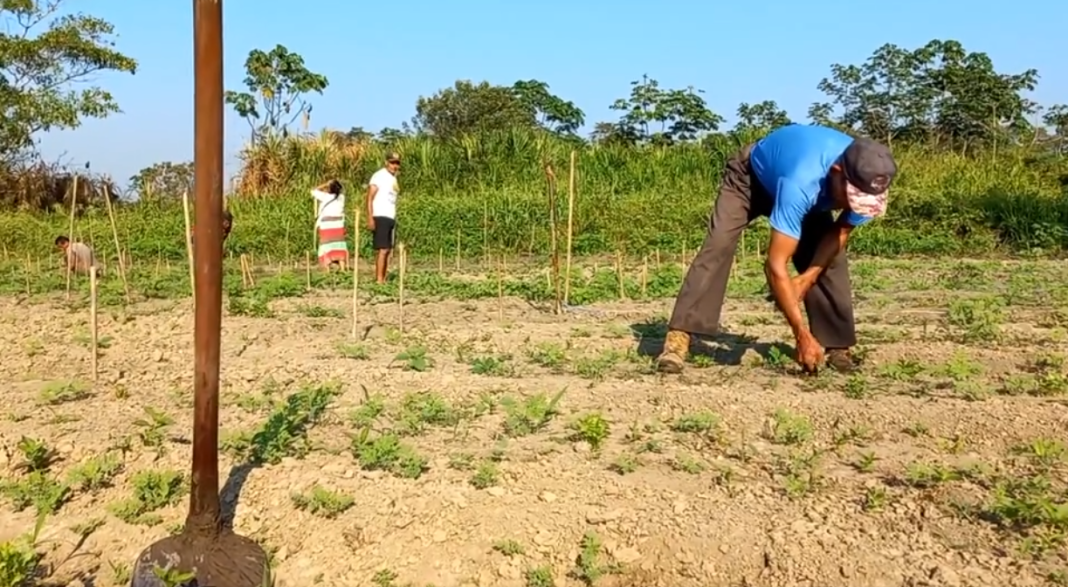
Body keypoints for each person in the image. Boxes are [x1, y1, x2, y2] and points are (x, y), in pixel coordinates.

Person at [655, 124, 897, 375]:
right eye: (850, 197)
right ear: (837, 172)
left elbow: (841, 231)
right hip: (749, 181)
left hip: (810, 194)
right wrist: (800, 334)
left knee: (832, 260)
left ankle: (836, 346)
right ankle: (678, 337)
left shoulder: (871, 183)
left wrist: (807, 277)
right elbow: (775, 264)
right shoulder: (802, 181)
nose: (851, 205)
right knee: (717, 246)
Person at [366, 152, 401, 284]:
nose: (395, 166)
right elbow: (369, 197)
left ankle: (383, 277)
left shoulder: (393, 178)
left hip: (390, 216)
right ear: (386, 162)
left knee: (388, 250)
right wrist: (370, 217)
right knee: (383, 249)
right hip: (380, 215)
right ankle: (379, 279)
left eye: (397, 163)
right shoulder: (379, 176)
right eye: (392, 163)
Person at [312, 179, 348, 269]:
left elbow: (313, 190)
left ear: (329, 189)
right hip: (338, 224)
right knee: (339, 245)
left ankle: (327, 269)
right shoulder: (342, 197)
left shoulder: (324, 196)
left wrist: (325, 184)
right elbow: (342, 190)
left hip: (326, 224)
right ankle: (343, 268)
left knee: (325, 245)